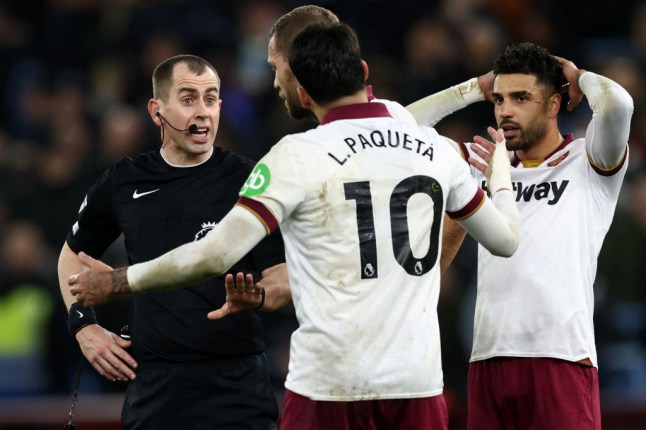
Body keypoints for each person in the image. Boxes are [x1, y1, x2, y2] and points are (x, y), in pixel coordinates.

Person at [69, 23, 520, 429]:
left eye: (276, 71)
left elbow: (215, 253)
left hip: (327, 384)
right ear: (361, 70)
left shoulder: (294, 155)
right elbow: (505, 241)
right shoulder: (435, 148)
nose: (273, 82)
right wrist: (499, 168)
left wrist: (119, 280)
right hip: (417, 383)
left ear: (303, 93)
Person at [407, 42, 634, 429]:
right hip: (487, 360)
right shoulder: (483, 166)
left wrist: (577, 77)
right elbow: (396, 130)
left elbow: (618, 105)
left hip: (561, 358)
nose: (505, 110)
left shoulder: (588, 161)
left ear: (553, 105)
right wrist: (474, 88)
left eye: (521, 97)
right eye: (498, 99)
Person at [57, 54, 288, 429]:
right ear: (156, 110)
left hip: (236, 385)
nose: (202, 112)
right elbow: (71, 257)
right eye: (188, 99)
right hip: (155, 388)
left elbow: (283, 276)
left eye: (211, 99)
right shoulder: (125, 180)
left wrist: (260, 296)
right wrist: (84, 328)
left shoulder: (250, 180)